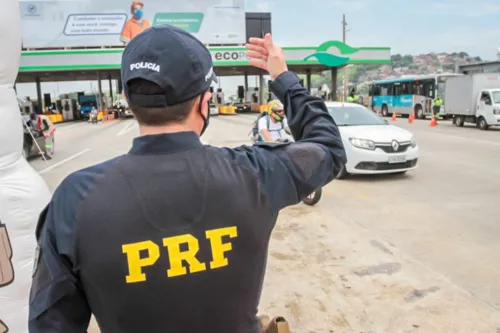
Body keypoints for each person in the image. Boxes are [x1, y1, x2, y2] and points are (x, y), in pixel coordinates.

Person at [29, 26, 346, 333]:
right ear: (204, 100)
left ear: (126, 97)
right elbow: (328, 149)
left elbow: (50, 323)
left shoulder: (74, 200)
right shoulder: (256, 173)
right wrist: (283, 77)